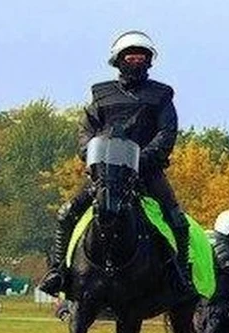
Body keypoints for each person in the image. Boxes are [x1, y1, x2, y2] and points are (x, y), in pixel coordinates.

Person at [40, 30, 193, 297]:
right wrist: (91, 155)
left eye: (141, 57)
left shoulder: (162, 95)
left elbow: (166, 133)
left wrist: (141, 159)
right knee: (66, 213)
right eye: (130, 57)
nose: (136, 61)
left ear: (149, 61)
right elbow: (86, 131)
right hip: (105, 174)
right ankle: (58, 273)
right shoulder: (100, 94)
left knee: (177, 220)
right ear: (119, 60)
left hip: (147, 173)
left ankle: (180, 276)